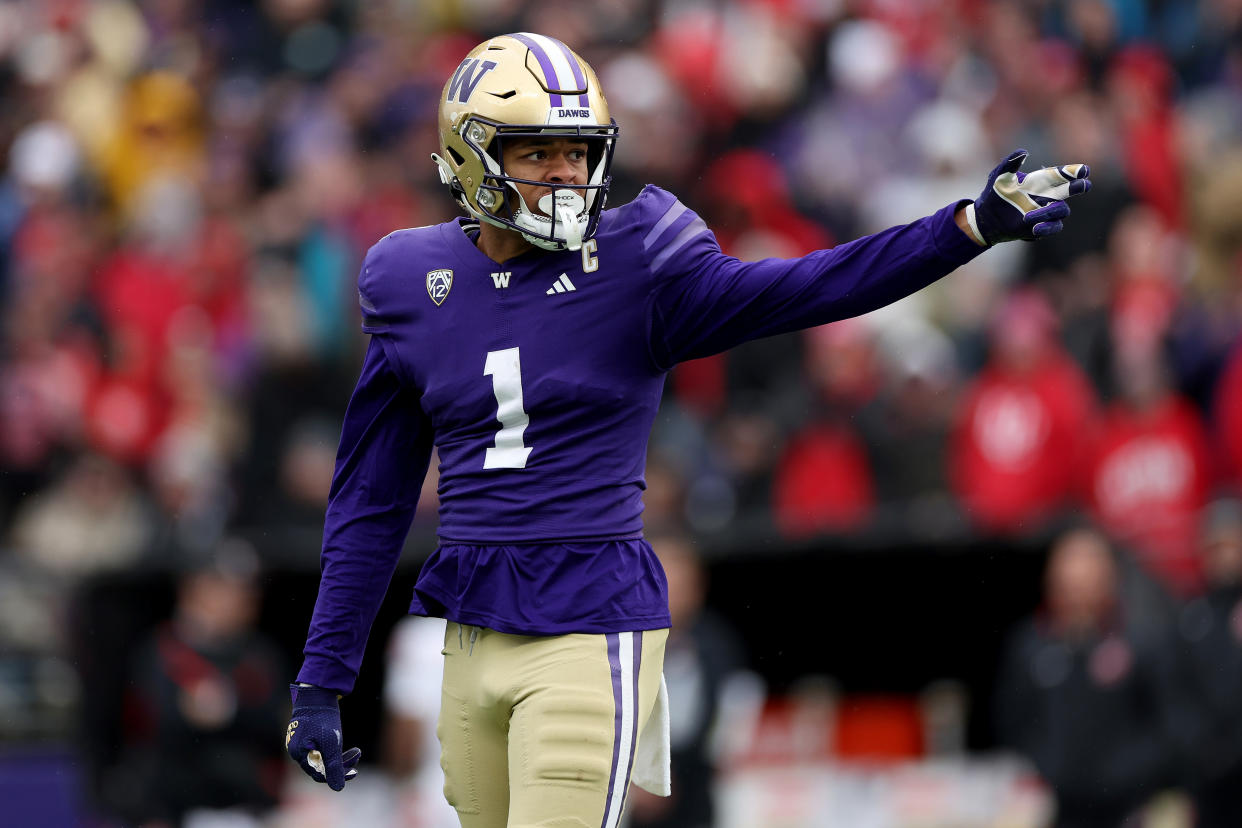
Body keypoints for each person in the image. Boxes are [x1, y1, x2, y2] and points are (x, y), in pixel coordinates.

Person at [284, 32, 1091, 828]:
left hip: (588, 621)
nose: (567, 173)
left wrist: (964, 229)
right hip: (469, 635)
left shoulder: (639, 258)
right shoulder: (408, 278)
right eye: (539, 154)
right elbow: (372, 496)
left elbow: (811, 287)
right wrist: (322, 678)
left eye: (578, 151)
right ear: (470, 156)